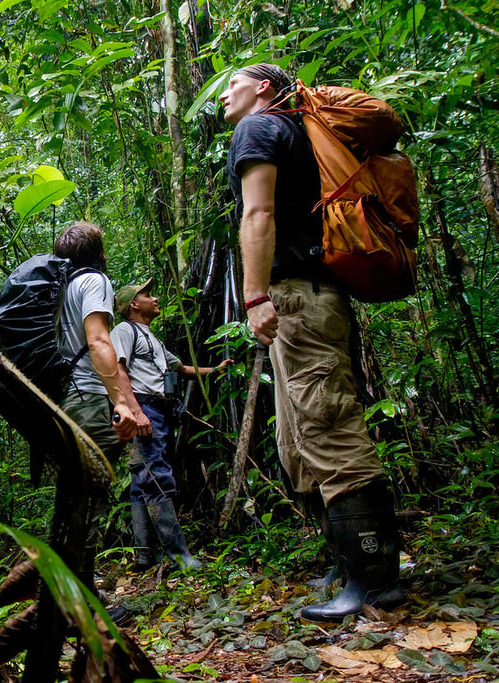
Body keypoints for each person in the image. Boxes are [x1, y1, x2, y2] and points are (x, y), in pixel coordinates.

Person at [219, 63, 405, 621]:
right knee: (299, 441)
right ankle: (350, 566)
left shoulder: (260, 128)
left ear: (265, 89)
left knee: (326, 426)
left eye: (235, 83)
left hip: (295, 295)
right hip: (311, 296)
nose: (225, 93)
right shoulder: (296, 133)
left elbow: (259, 211)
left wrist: (254, 296)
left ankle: (374, 580)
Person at [52, 221, 151, 625]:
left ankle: (70, 593)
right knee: (88, 494)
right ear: (102, 255)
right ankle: (84, 606)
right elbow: (98, 341)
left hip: (64, 398)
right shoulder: (93, 281)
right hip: (90, 399)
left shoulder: (57, 289)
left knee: (74, 493)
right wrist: (121, 403)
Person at [111, 278, 232, 572]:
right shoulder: (124, 330)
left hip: (160, 410)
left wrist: (214, 370)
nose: (154, 298)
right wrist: (135, 411)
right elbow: (118, 368)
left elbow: (180, 369)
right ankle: (178, 556)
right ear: (133, 305)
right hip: (144, 407)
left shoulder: (152, 338)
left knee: (143, 482)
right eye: (147, 295)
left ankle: (144, 557)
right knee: (156, 477)